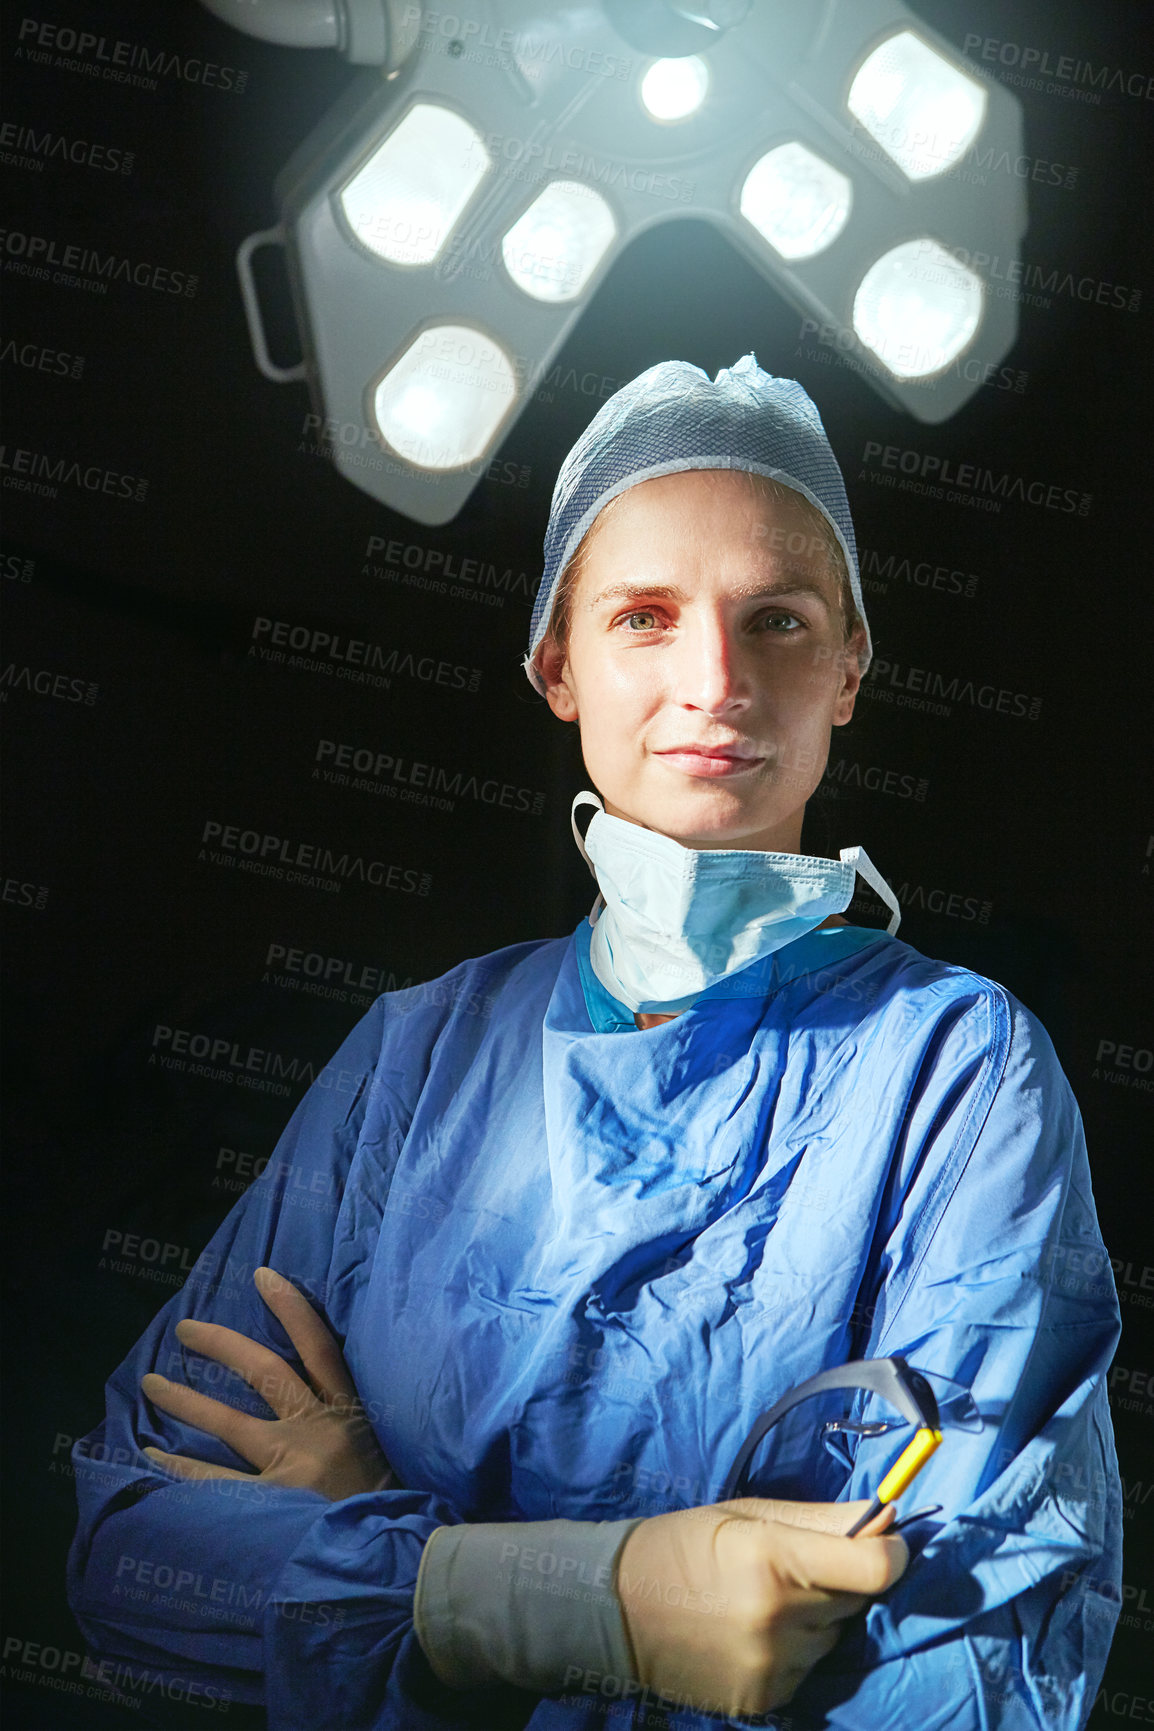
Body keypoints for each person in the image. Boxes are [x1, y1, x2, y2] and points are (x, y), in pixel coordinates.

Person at [67, 356, 1122, 1730]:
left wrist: (379, 1553)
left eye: (779, 622)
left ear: (849, 670)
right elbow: (135, 1558)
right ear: (555, 666)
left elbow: (975, 1664)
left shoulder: (954, 1077)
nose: (715, 680)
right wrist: (558, 1599)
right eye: (642, 616)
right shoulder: (419, 1059)